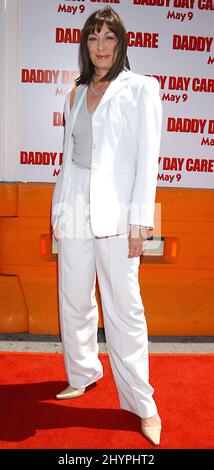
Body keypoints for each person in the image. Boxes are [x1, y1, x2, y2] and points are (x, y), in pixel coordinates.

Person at [51, 7, 162, 446]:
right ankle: (82, 371)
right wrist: (60, 210)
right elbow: (68, 156)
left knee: (124, 308)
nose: (100, 47)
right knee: (73, 296)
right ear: (85, 45)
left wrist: (141, 221)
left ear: (121, 43)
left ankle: (142, 402)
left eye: (109, 38)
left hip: (118, 215)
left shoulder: (141, 90)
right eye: (93, 38)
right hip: (75, 205)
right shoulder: (75, 94)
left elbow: (146, 161)